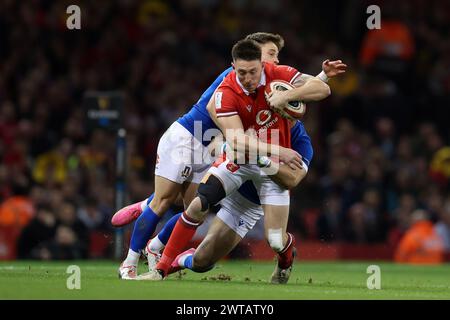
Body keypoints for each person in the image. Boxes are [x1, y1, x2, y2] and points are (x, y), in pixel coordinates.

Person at [115, 33, 346, 280]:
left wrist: (290, 95)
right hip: (204, 141)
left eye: (275, 58)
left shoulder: (289, 116)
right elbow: (221, 120)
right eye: (270, 55)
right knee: (196, 203)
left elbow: (292, 178)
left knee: (234, 251)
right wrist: (241, 145)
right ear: (250, 57)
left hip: (252, 194)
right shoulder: (234, 82)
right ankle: (155, 260)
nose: (274, 62)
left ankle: (280, 258)